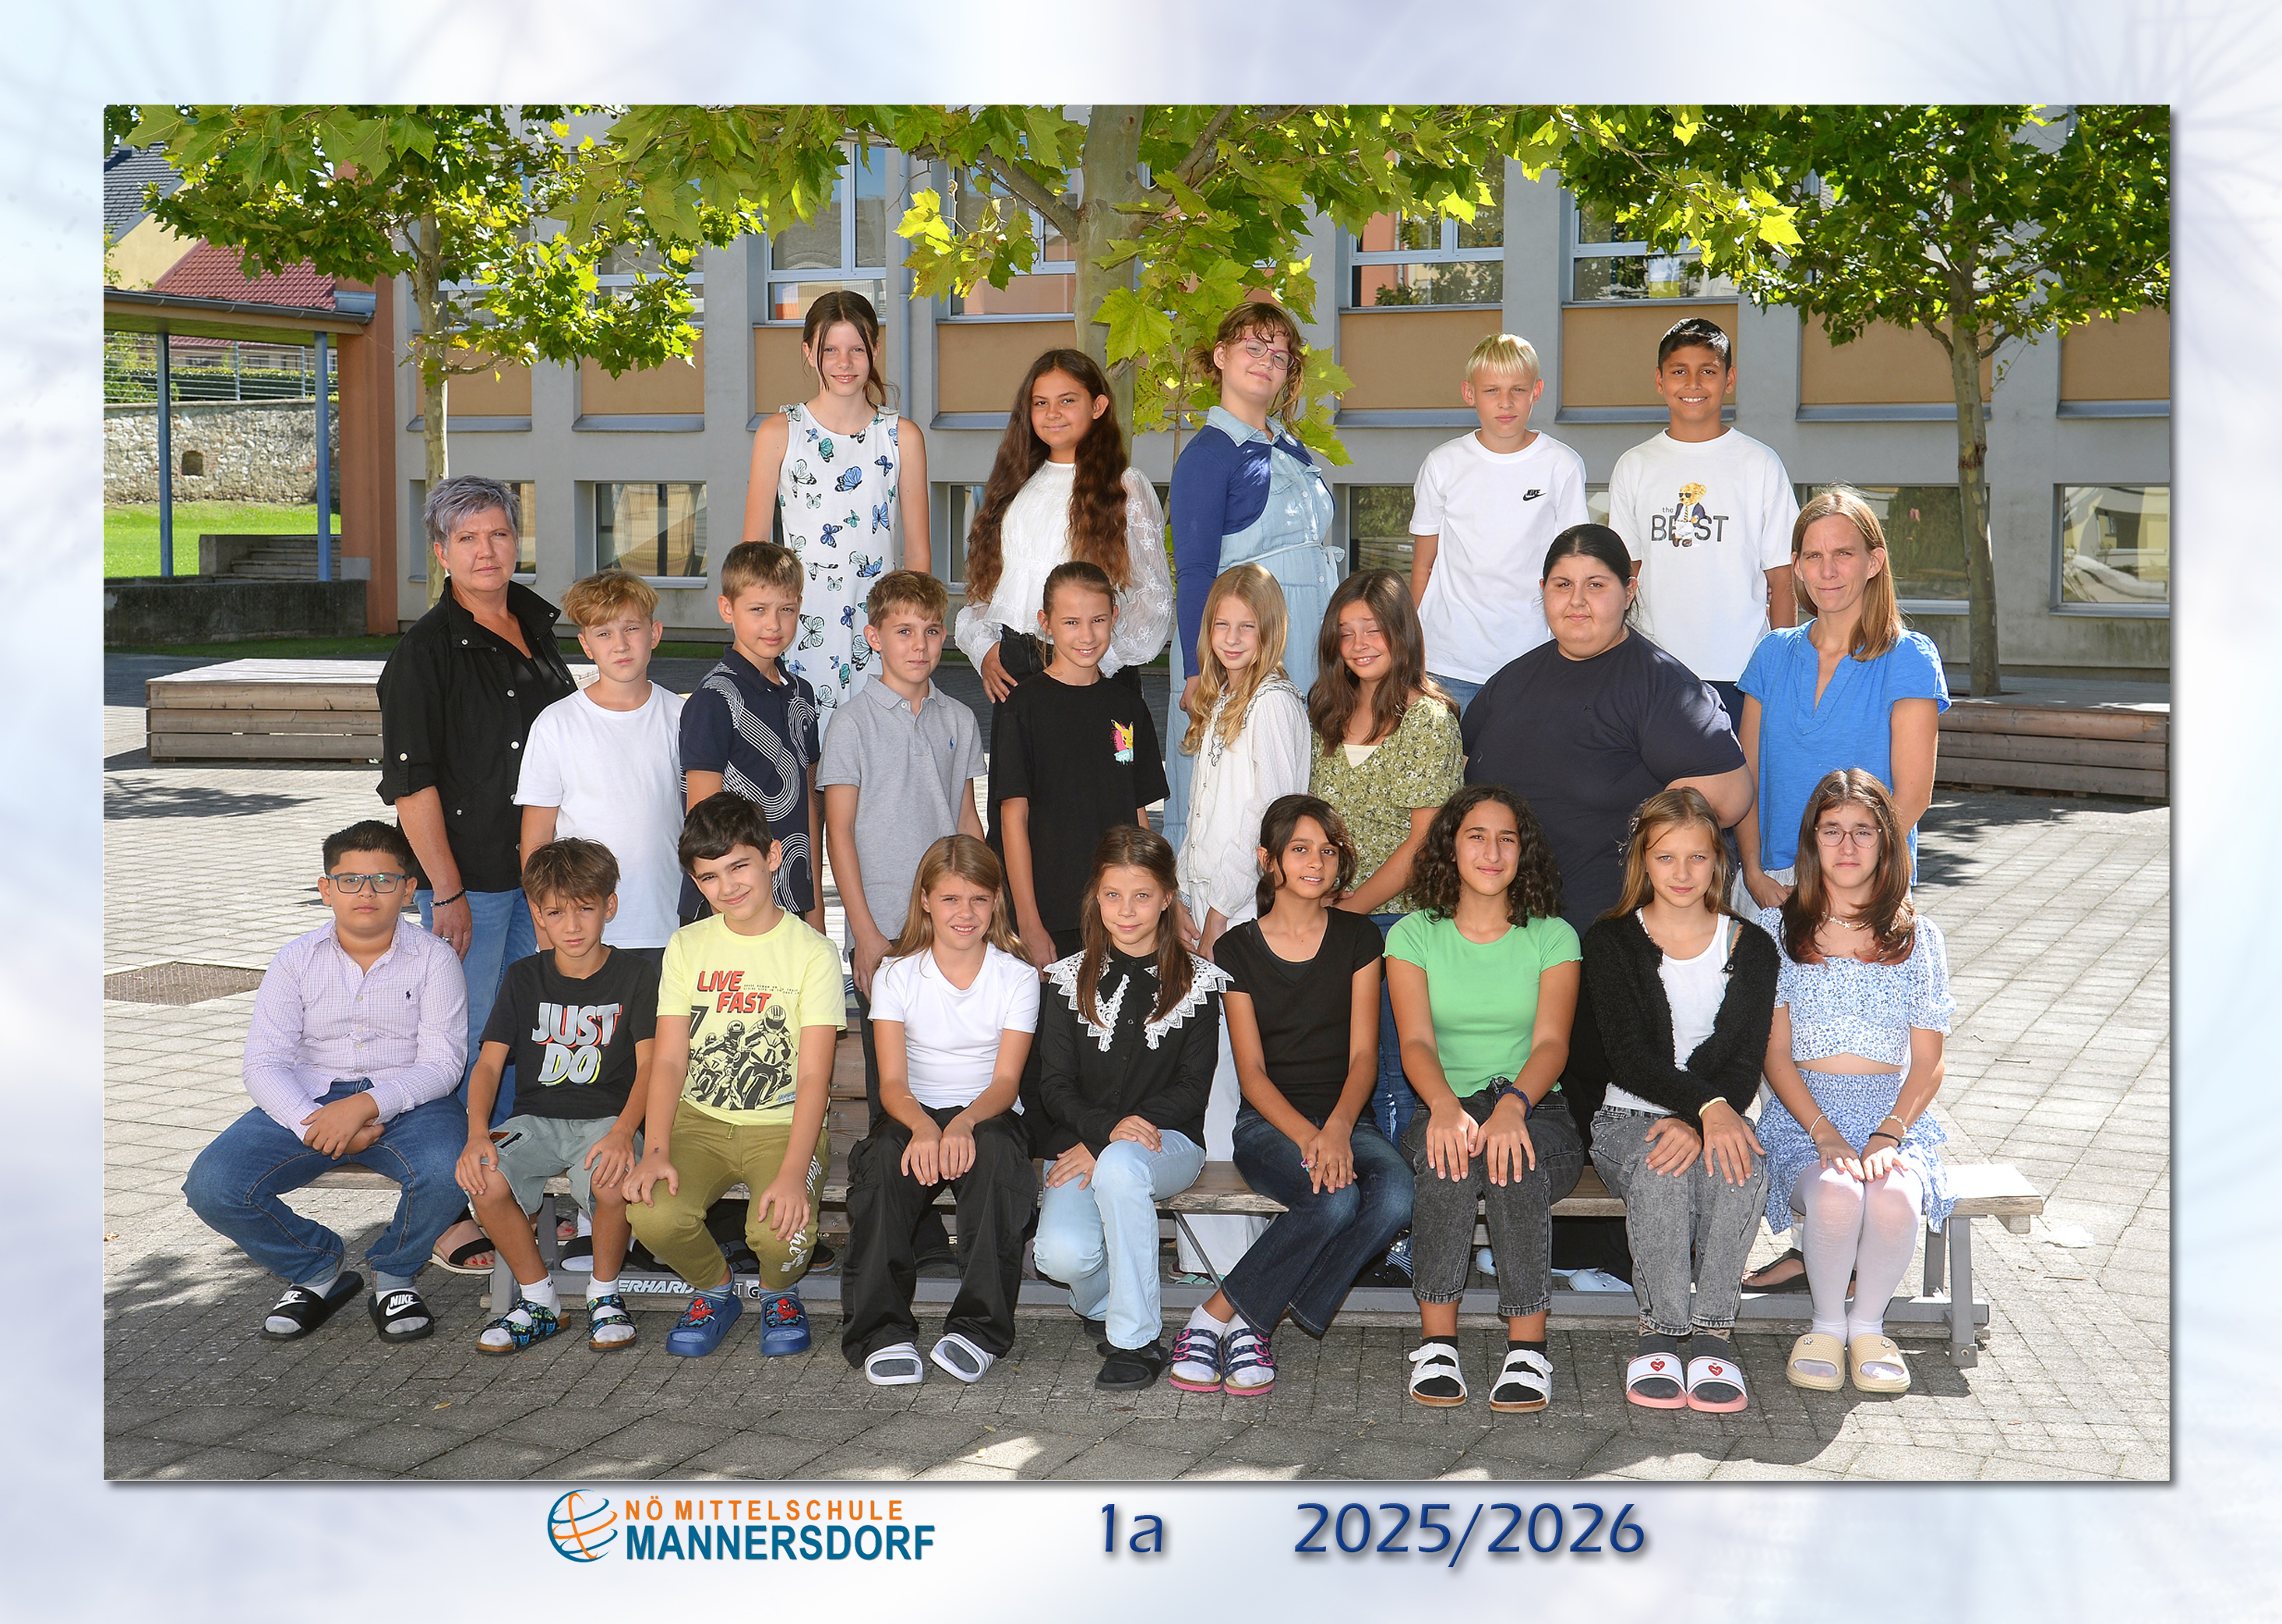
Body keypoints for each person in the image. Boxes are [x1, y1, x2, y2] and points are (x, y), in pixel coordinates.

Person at [1461, 523, 1754, 1291]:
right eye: (1562, 585)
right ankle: (1548, 1242)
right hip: (1517, 944)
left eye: (1596, 584)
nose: (1578, 600)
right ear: (1542, 594)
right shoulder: (1509, 685)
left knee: (1604, 1102)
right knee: (1526, 1095)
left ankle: (1619, 1258)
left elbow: (1729, 791)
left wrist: (1645, 823)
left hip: (1609, 944)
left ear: (1629, 589)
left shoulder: (1656, 683)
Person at [379, 475, 579, 1274]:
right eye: (467, 539)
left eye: (498, 533)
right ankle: (446, 1213)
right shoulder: (425, 653)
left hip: (540, 880)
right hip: (475, 887)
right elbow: (410, 784)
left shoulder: (535, 623)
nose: (486, 550)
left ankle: (513, 1195)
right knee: (465, 1047)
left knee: (529, 1039)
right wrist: (448, 891)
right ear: (441, 552)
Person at [182, 821, 467, 1344]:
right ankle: (316, 1268)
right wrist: (313, 1123)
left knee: (452, 1168)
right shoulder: (295, 959)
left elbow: (443, 1064)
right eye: (350, 880)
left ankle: (395, 1274)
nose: (366, 893)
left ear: (408, 889)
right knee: (213, 1185)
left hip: (410, 1100)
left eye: (383, 880)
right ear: (326, 889)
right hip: (309, 1097)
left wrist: (364, 1107)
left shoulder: (435, 958)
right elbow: (263, 1063)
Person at [1169, 795, 1407, 1396]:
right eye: (1300, 849)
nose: (1316, 861)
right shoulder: (1236, 949)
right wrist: (1308, 1136)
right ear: (1267, 859)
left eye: (1327, 850)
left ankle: (1231, 1316)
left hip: (1347, 1120)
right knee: (1332, 1201)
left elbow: (1363, 1057)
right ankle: (1247, 1322)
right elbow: (1250, 1072)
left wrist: (1337, 1130)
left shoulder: (1359, 937)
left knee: (1397, 1195)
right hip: (1267, 1126)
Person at [623, 792, 845, 1358]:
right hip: (699, 1121)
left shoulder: (813, 952)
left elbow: (815, 1075)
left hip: (782, 1125)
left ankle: (778, 1291)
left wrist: (793, 1171)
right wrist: (656, 1147)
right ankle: (715, 1289)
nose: (727, 886)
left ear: (772, 856)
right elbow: (668, 1060)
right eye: (709, 876)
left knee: (780, 1230)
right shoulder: (686, 946)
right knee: (651, 1213)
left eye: (738, 866)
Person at [1756, 770, 1956, 1397]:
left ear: (1885, 841)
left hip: (1889, 1115)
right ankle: (1824, 1325)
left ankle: (1867, 1326)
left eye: (1863, 831)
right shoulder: (1776, 928)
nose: (1846, 845)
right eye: (1831, 830)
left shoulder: (1917, 937)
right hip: (1802, 1114)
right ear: (1811, 840)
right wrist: (1822, 1131)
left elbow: (1928, 1061)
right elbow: (1774, 1053)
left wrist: (1888, 1133)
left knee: (1893, 1197)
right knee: (1837, 1195)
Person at [1582, 790, 1778, 1411]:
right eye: (1666, 857)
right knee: (1660, 1170)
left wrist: (1702, 1117)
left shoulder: (1750, 946)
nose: (1682, 872)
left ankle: (1713, 1334)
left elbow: (1742, 1060)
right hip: (1626, 1115)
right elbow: (1629, 1057)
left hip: (1717, 1115)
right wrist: (1704, 1109)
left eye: (1697, 857)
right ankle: (1660, 1332)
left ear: (1717, 860)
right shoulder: (1612, 940)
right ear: (1643, 859)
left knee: (1742, 1169)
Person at [1388, 787, 1584, 1412]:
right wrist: (1444, 1107)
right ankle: (1436, 1344)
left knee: (1511, 1160)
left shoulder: (1552, 935)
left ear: (1523, 852)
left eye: (1506, 838)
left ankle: (1528, 1349)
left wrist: (1512, 1106)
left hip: (1535, 1108)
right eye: (1476, 835)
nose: (1491, 851)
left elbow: (1552, 1043)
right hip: (1443, 1101)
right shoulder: (1412, 934)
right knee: (1447, 1156)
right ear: (1450, 845)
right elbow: (1415, 1042)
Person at [819, 568, 989, 1272]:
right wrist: (863, 932)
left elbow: (966, 820)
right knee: (894, 1084)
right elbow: (838, 831)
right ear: (873, 637)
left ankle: (963, 1214)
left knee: (950, 1070)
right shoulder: (852, 721)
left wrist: (990, 912)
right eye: (903, 631)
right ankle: (908, 1231)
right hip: (885, 931)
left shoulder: (958, 718)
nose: (919, 644)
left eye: (930, 630)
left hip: (951, 931)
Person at [840, 836, 1040, 1386]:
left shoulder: (1017, 976)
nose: (965, 913)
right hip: (912, 1110)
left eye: (978, 899)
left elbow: (1006, 1082)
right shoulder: (896, 973)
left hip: (988, 1111)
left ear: (996, 901)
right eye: (950, 898)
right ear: (925, 900)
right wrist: (925, 1126)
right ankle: (881, 1331)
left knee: (998, 1161)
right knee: (882, 1166)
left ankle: (979, 1329)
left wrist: (965, 1123)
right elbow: (892, 1083)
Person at [1032, 826, 1225, 1391]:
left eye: (1142, 895)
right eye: (1113, 895)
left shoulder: (1198, 982)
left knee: (1119, 1166)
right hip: (1081, 1142)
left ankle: (1136, 1339)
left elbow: (1192, 1088)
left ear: (1167, 898)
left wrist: (1107, 1142)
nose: (1126, 910)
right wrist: (1100, 1134)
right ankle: (1108, 1303)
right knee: (1060, 1257)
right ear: (1096, 896)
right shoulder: (1067, 979)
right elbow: (1054, 1085)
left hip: (1170, 1144)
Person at [454, 839, 656, 1355]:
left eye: (585, 909)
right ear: (538, 915)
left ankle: (605, 1294)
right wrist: (477, 1134)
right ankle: (539, 1299)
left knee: (612, 1180)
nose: (572, 925)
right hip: (536, 1120)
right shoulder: (524, 976)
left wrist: (623, 1133)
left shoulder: (637, 975)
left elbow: (652, 1067)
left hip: (608, 1120)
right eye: (555, 912)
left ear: (609, 906)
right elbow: (489, 1064)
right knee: (484, 1176)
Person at [1169, 563, 1310, 1283]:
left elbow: (1269, 823)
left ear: (1269, 631)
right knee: (1204, 1075)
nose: (1230, 638)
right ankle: (1207, 1253)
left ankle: (1233, 1260)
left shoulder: (1274, 705)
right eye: (1219, 625)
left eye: (1244, 627)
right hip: (1205, 909)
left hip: (1242, 915)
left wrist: (1218, 917)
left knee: (1226, 1077)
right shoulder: (1225, 697)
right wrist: (1181, 897)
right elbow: (1203, 818)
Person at [1307, 569, 1462, 1192]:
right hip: (1334, 923)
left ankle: (1404, 1227)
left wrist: (1349, 911)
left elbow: (1423, 844)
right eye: (1345, 632)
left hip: (1401, 926)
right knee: (1345, 1079)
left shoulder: (1428, 719)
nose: (1358, 644)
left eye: (1371, 628)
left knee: (1397, 1080)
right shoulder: (1327, 711)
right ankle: (1365, 1212)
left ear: (1401, 631)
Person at [1165, 301, 1339, 849]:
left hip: (1306, 643)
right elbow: (1195, 571)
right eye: (1254, 347)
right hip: (1241, 650)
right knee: (1230, 797)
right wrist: (1199, 670)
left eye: (1280, 355)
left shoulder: (1292, 449)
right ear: (1221, 356)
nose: (1267, 361)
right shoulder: (1208, 456)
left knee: (1292, 783)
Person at [1737, 485, 1949, 909]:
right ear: (1797, 567)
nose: (1827, 570)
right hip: (1772, 883)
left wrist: (1842, 883)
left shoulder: (1907, 658)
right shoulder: (1772, 654)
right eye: (1813, 556)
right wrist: (1753, 872)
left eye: (1844, 554)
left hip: (1867, 878)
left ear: (1874, 561)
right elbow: (1747, 781)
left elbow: (1912, 795)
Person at [740, 289, 929, 730]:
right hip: (798, 630)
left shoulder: (902, 437)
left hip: (879, 632)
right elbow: (753, 554)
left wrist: (913, 637)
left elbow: (919, 558)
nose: (844, 363)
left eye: (856, 349)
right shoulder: (778, 432)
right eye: (830, 350)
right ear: (809, 353)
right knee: (803, 760)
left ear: (875, 351)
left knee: (877, 756)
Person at [953, 348, 1172, 720]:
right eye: (1041, 403)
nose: (1052, 413)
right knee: (1023, 760)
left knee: (1094, 759)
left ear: (1098, 406)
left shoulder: (1124, 486)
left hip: (1094, 665)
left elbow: (1153, 596)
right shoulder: (1014, 483)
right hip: (1016, 669)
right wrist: (984, 648)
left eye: (1067, 400)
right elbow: (992, 583)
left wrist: (1102, 659)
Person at [1606, 314, 1798, 727]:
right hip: (1653, 669)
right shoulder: (1634, 465)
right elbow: (1625, 577)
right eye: (1679, 371)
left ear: (1729, 380)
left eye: (1708, 371)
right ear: (1659, 380)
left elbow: (1783, 581)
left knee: (1742, 774)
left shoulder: (1760, 464)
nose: (1693, 383)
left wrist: (1780, 672)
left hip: (1742, 671)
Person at [987, 561, 1169, 971]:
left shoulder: (1127, 707)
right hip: (1050, 917)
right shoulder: (1024, 707)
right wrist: (1029, 922)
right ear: (1045, 623)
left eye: (1098, 620)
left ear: (1114, 617)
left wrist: (1158, 901)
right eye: (1071, 622)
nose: (1086, 636)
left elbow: (1138, 812)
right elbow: (1012, 819)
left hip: (1119, 914)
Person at [1408, 333, 1589, 716]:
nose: (1505, 402)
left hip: (1533, 659)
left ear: (1536, 391)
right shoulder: (1442, 464)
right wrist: (1411, 649)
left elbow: (1573, 570)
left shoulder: (1562, 465)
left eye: (1517, 390)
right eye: (1491, 390)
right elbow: (1424, 565)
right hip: (1447, 662)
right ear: (1469, 393)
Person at [517, 569, 686, 965]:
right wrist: (545, 930)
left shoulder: (682, 717)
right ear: (586, 645)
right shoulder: (556, 724)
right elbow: (536, 840)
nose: (620, 645)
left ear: (655, 633)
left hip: (669, 925)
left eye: (632, 629)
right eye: (604, 633)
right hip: (581, 933)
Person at [679, 540, 825, 935]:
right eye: (758, 610)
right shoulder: (714, 700)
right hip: (727, 912)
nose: (773, 624)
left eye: (786, 610)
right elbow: (702, 821)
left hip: (790, 902)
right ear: (727, 609)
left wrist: (814, 909)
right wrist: (725, 924)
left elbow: (809, 808)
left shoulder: (802, 695)